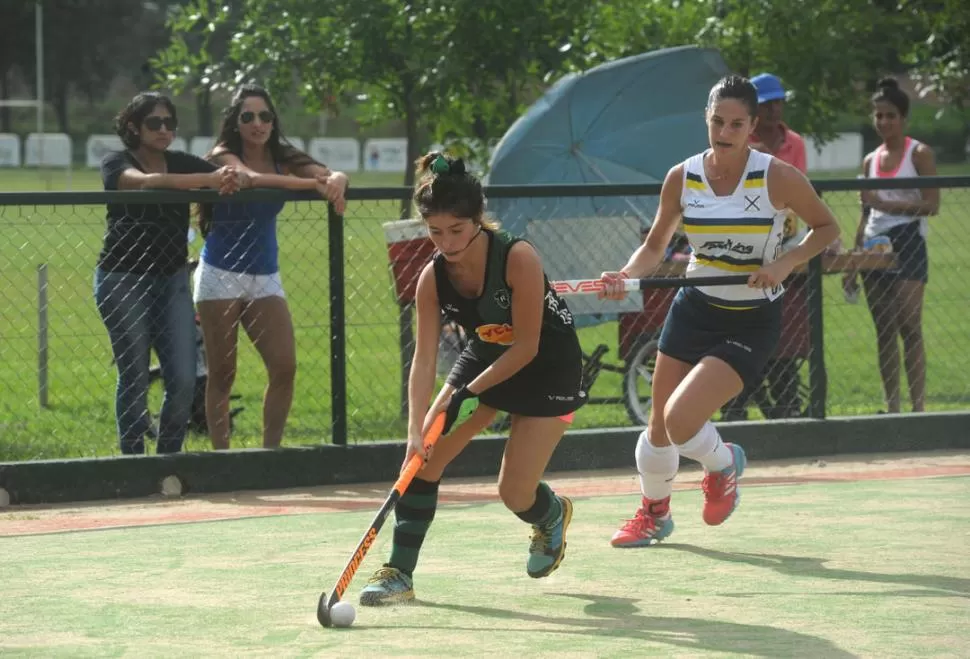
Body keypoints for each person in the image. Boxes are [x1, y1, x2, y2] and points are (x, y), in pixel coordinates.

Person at [600, 75, 840, 548]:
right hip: (694, 307)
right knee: (658, 425)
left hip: (751, 319)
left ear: (752, 125)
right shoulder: (682, 177)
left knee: (681, 419)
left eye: (736, 123)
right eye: (717, 121)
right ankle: (654, 514)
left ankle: (723, 462)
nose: (724, 131)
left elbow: (827, 227)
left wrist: (784, 263)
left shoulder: (776, 175)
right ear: (706, 120)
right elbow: (654, 246)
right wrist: (625, 275)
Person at [358, 152, 587, 606]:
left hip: (548, 365)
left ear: (478, 220)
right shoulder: (431, 277)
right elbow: (423, 360)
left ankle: (551, 514)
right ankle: (399, 573)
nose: (446, 242)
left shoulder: (518, 257)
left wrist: (469, 393)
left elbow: (526, 346)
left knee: (514, 493)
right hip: (484, 356)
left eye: (457, 230)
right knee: (422, 460)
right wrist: (414, 429)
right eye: (435, 232)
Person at [195, 84, 349, 450]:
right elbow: (249, 179)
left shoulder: (284, 155)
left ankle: (270, 453)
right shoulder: (222, 155)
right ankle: (222, 456)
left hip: (265, 276)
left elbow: (330, 175)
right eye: (247, 116)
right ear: (235, 122)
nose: (257, 123)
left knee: (284, 367)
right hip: (220, 274)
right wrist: (309, 183)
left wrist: (337, 179)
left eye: (264, 116)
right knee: (223, 372)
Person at [96, 91, 243, 455]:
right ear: (133, 127)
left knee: (183, 378)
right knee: (134, 376)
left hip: (172, 280)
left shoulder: (179, 161)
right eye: (154, 123)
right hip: (122, 280)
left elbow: (233, 179)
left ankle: (167, 460)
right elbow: (143, 182)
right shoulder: (116, 162)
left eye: (169, 123)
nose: (164, 130)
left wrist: (229, 177)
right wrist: (207, 180)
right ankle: (134, 464)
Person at [722, 72, 811, 420]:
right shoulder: (740, 143)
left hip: (787, 245)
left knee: (788, 334)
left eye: (779, 101)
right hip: (748, 248)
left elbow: (802, 194)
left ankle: (786, 408)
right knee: (742, 332)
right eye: (767, 103)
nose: (775, 109)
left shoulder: (796, 143)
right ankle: (738, 407)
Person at [848, 77, 939, 413]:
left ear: (903, 119)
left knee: (909, 324)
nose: (883, 122)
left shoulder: (919, 154)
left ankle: (918, 409)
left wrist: (887, 205)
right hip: (874, 244)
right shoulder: (870, 160)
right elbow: (864, 211)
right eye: (878, 116)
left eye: (890, 115)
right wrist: (855, 259)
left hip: (908, 239)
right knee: (884, 329)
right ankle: (892, 408)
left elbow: (933, 205)